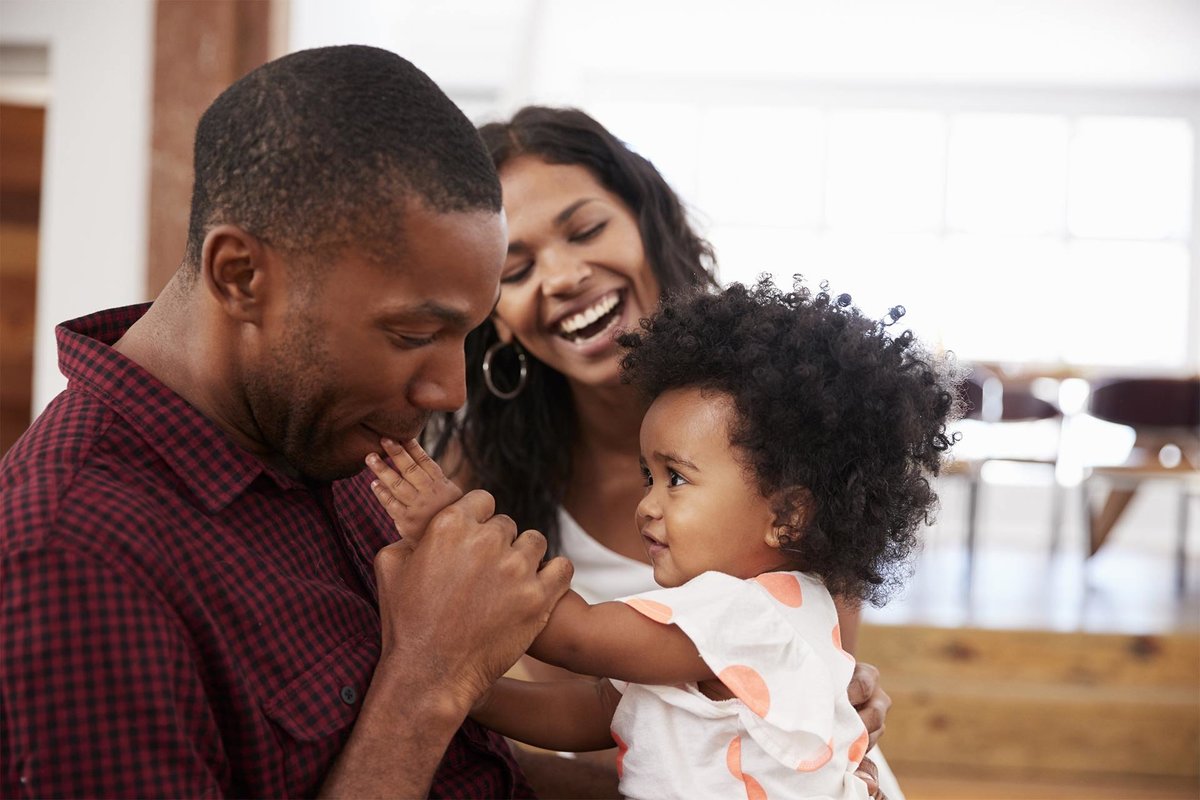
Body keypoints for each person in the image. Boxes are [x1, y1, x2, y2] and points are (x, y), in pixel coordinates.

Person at [0, 45, 574, 798]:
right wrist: (431, 679)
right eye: (410, 335)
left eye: (466, 335)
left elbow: (463, 776)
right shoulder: (71, 553)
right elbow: (417, 719)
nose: (448, 391)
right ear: (240, 275)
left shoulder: (324, 432)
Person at [428, 105, 898, 794]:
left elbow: (811, 682)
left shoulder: (786, 431)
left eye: (586, 229)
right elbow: (606, 715)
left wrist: (842, 690)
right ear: (490, 312)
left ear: (648, 224)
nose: (561, 277)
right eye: (515, 268)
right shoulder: (482, 471)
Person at [380, 278, 960, 799]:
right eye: (647, 477)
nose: (647, 506)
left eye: (676, 479)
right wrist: (467, 692)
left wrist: (451, 532)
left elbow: (573, 638)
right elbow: (590, 713)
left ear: (786, 517)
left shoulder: (742, 616)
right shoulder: (747, 619)